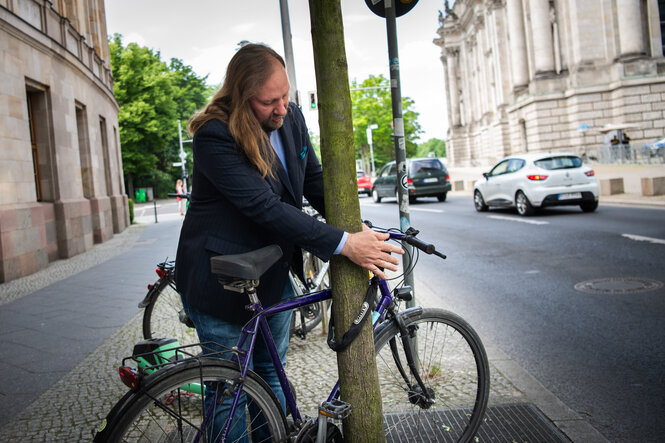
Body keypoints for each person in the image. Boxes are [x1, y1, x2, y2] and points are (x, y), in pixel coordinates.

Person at [174, 43, 402, 440]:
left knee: (271, 377)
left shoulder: (291, 117)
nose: (281, 108)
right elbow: (264, 207)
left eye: (285, 95)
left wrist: (357, 230)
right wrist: (344, 244)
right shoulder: (214, 136)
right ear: (242, 98)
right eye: (268, 102)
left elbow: (313, 180)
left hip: (273, 275)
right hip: (218, 281)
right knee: (229, 393)